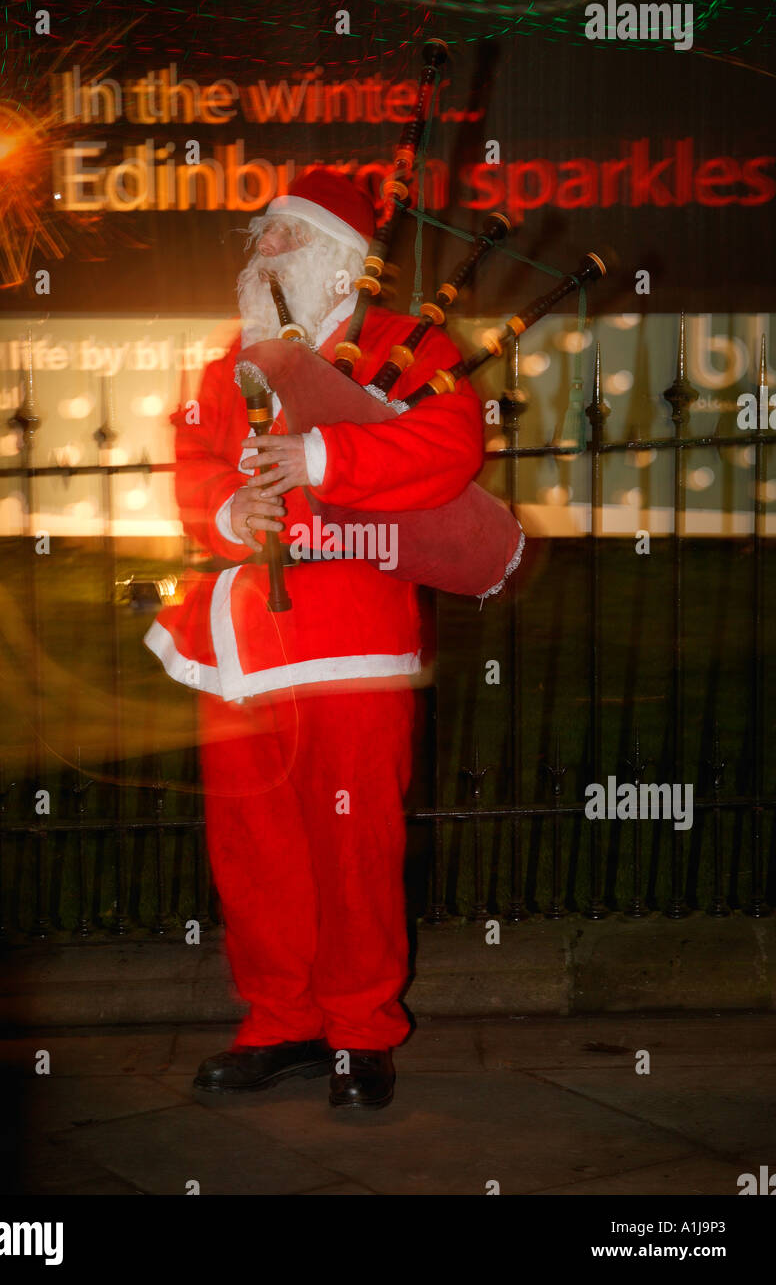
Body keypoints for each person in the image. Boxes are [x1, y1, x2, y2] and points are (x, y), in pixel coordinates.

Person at [145, 167, 521, 1110]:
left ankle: (359, 1032)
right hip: (235, 644)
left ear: (346, 264)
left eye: (288, 238)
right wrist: (232, 509)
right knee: (253, 844)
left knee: (353, 845)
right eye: (261, 236)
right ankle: (281, 1021)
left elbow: (449, 451)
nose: (263, 251)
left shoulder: (408, 345)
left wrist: (320, 456)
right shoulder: (227, 361)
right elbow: (190, 465)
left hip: (350, 639)